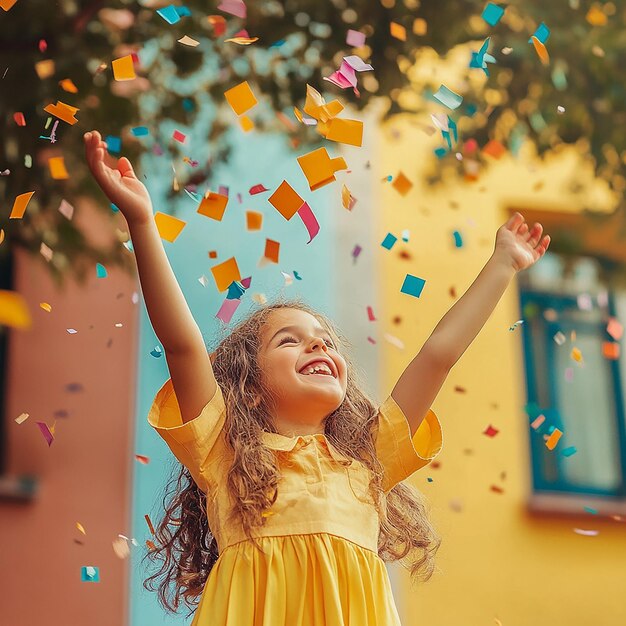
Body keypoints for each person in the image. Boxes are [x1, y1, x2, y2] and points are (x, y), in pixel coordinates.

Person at [84, 129, 550, 625]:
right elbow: (182, 346)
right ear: (249, 385)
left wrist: (502, 265)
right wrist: (141, 221)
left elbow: (437, 356)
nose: (318, 345)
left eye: (325, 340)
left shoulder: (370, 461)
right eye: (289, 340)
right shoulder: (225, 454)